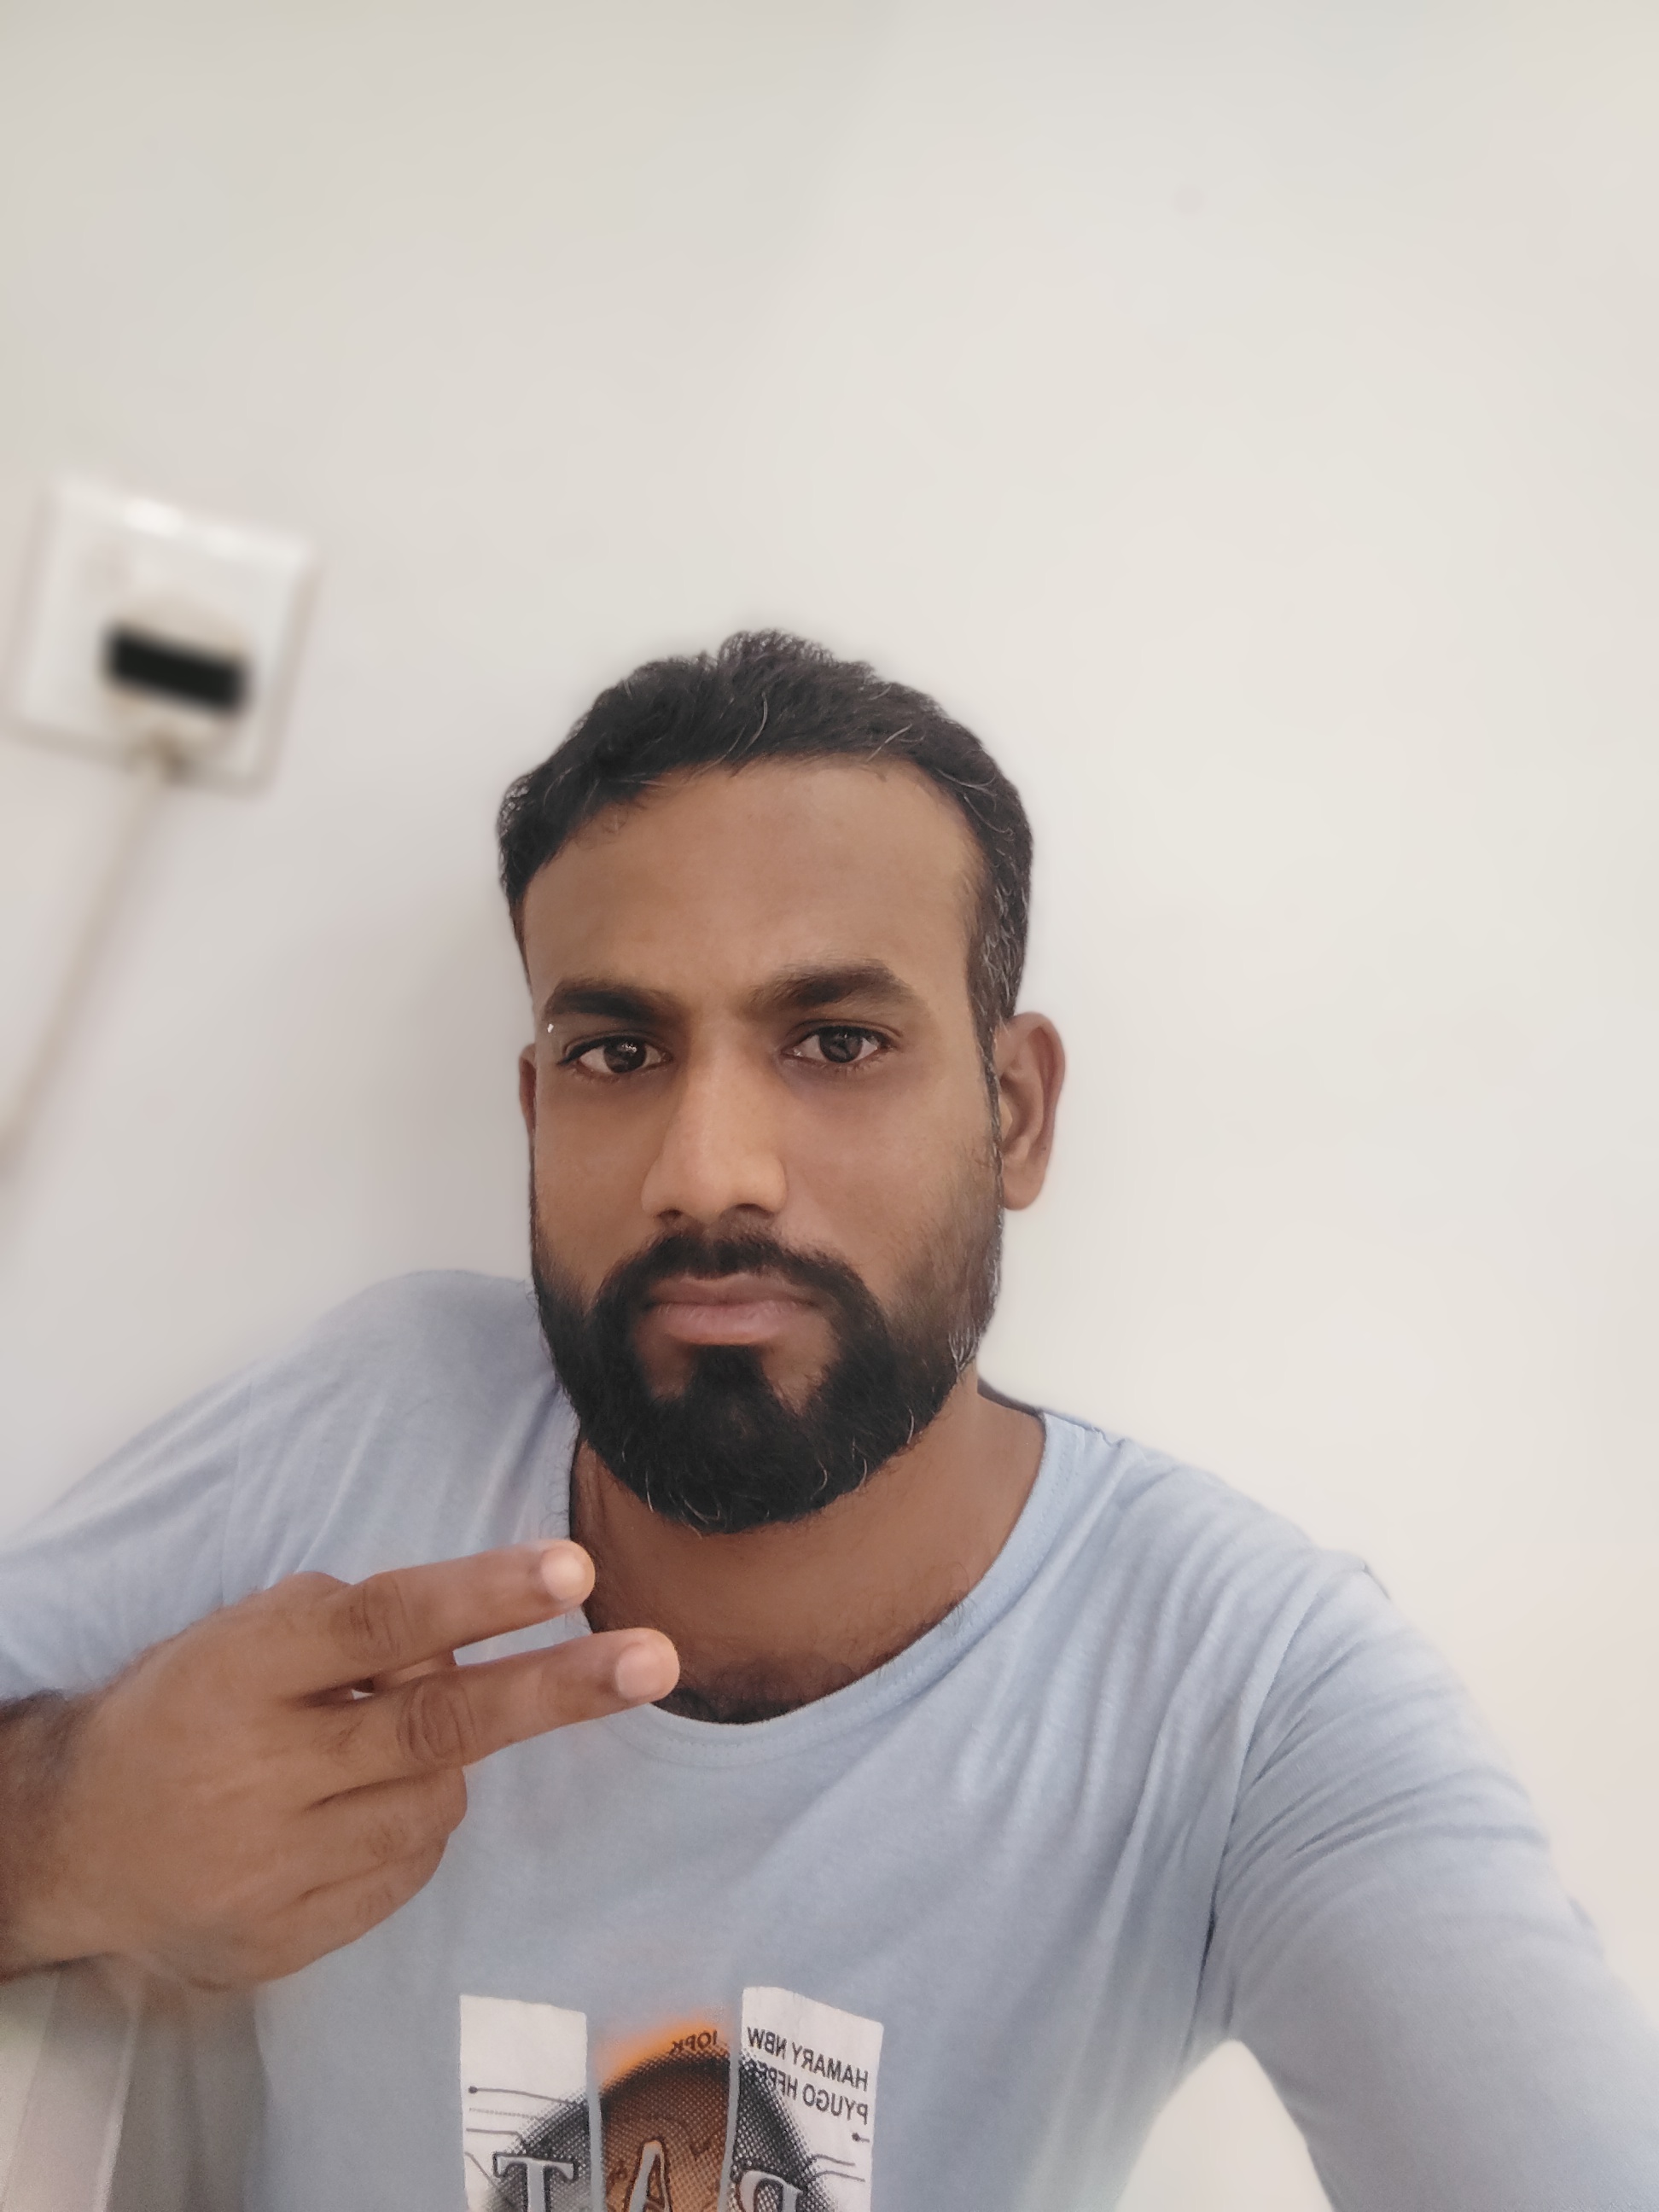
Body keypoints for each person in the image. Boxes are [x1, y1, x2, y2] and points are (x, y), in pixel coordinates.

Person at [0, 632, 1655, 2212]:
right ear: (536, 1106)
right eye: (619, 1050)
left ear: (1015, 1112)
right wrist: (69, 1832)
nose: (708, 1169)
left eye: (837, 1041)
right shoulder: (379, 1414)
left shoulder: (1248, 1698)